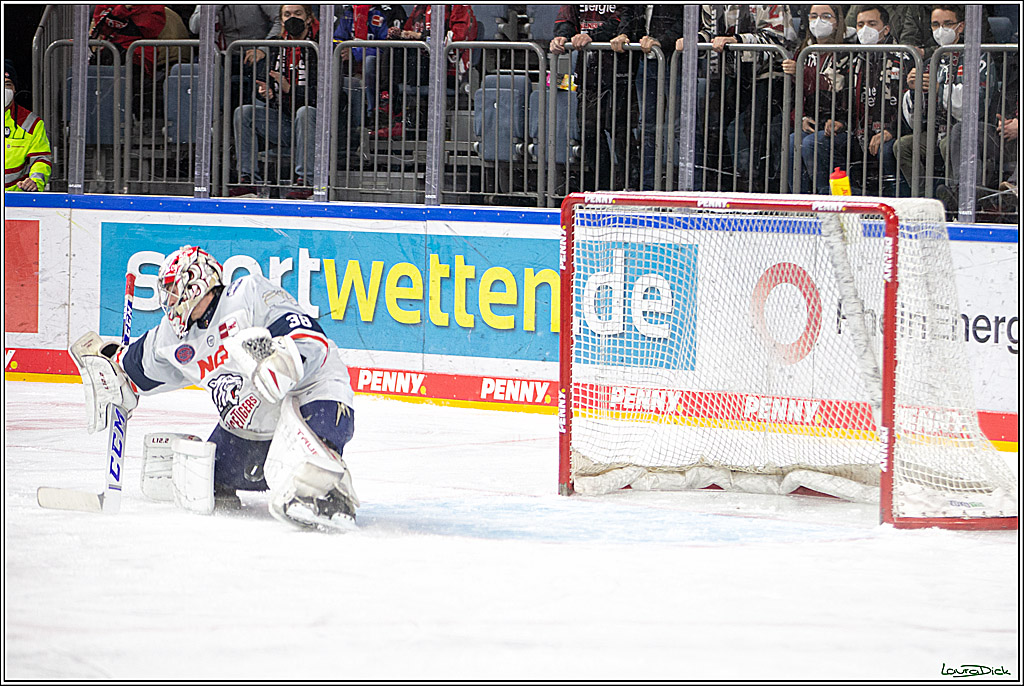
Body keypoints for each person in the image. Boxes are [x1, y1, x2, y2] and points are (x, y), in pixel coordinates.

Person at [69, 246, 359, 531]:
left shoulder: (246, 293)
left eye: (172, 289)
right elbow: (134, 366)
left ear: (194, 282)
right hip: (249, 430)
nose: (168, 299)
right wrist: (109, 364)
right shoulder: (171, 336)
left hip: (313, 393)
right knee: (204, 483)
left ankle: (330, 491)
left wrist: (282, 358)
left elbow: (306, 333)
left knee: (309, 467)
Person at [894, 5, 1000, 200]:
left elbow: (973, 105)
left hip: (975, 131)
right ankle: (925, 200)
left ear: (961, 27)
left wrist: (938, 88)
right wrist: (913, 90)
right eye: (935, 25)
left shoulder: (978, 57)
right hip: (936, 131)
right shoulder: (930, 61)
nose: (940, 30)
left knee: (948, 143)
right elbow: (915, 121)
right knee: (903, 145)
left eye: (947, 24)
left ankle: (956, 198)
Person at [692, 5, 794, 192]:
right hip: (731, 75)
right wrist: (694, 40)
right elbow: (709, 31)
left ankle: (763, 190)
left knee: (756, 128)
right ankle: (724, 186)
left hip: (769, 74)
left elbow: (778, 38)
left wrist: (737, 40)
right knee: (712, 122)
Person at [231, 5, 320, 199]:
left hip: (316, 126)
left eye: (298, 14)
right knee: (244, 112)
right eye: (287, 15)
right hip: (284, 122)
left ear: (308, 18)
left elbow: (326, 94)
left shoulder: (319, 47)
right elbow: (262, 82)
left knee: (305, 111)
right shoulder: (275, 46)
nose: (292, 18)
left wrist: (291, 89)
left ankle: (306, 182)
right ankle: (247, 180)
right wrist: (265, 92)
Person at [550, 4, 633, 191]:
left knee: (621, 133)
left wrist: (593, 36)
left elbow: (624, 20)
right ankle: (602, 188)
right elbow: (566, 19)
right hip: (588, 73)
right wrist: (562, 36)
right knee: (589, 133)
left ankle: (630, 187)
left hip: (621, 71)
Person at [374, 4, 477, 140]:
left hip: (447, 69)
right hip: (419, 64)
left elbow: (457, 39)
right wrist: (401, 34)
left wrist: (420, 37)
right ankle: (390, 104)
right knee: (392, 44)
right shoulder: (419, 7)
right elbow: (409, 30)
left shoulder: (458, 6)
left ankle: (393, 105)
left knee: (405, 58)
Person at [612, 6, 685, 190]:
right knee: (647, 125)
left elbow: (688, 21)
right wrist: (623, 34)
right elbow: (628, 11)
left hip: (674, 58)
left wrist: (661, 41)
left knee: (681, 125)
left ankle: (692, 187)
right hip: (647, 59)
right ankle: (647, 186)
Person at [846, 5, 915, 196]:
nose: (865, 29)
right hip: (857, 132)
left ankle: (898, 205)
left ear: (886, 29)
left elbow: (911, 105)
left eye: (872, 23)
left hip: (893, 132)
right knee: (825, 145)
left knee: (887, 150)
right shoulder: (852, 57)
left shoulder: (903, 57)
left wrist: (891, 131)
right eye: (860, 24)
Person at [782, 4, 851, 194]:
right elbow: (796, 93)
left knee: (812, 143)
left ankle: (825, 199)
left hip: (841, 125)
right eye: (814, 16)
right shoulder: (804, 51)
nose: (819, 21)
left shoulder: (847, 52)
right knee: (793, 141)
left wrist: (840, 122)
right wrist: (801, 118)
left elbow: (835, 85)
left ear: (837, 22)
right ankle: (800, 201)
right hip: (813, 123)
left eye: (826, 16)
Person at [4, 60, 52, 192]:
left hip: (17, 200)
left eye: (7, 85)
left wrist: (35, 181)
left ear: (14, 89)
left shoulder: (31, 123)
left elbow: (41, 158)